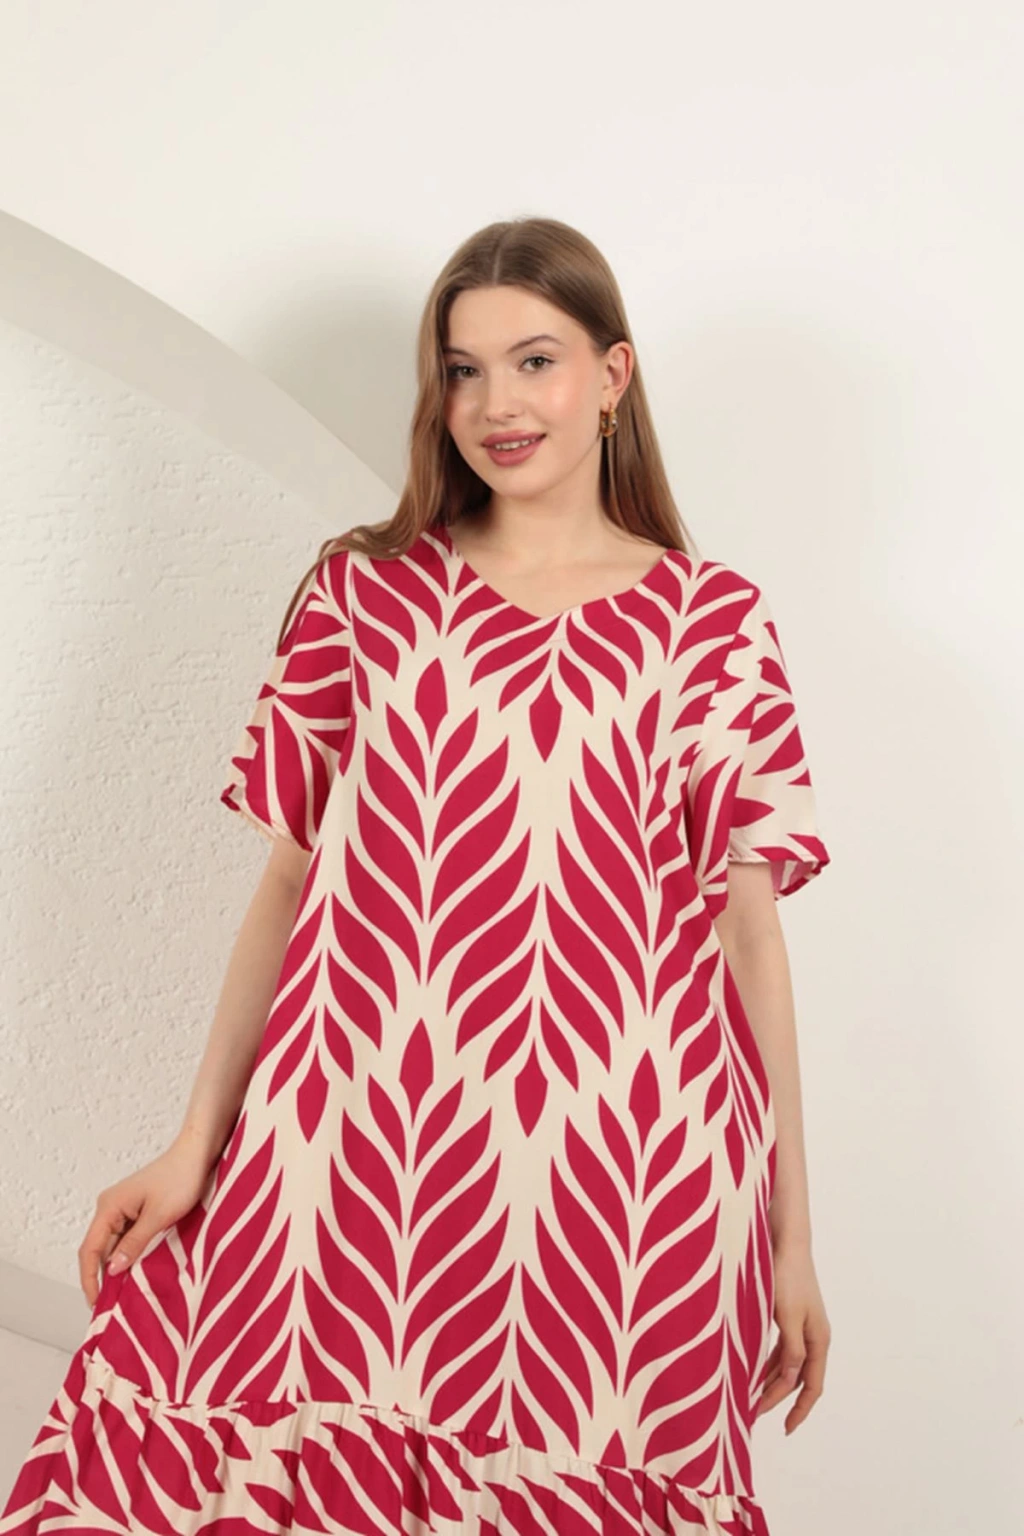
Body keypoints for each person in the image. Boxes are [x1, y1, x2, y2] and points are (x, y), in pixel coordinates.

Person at [1, 216, 832, 1536]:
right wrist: (196, 1143)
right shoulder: (366, 593)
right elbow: (290, 885)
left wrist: (791, 1243)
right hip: (358, 1142)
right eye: (463, 370)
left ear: (613, 377)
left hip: (628, 1179)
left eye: (536, 361)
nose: (498, 404)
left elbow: (749, 939)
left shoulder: (712, 622)